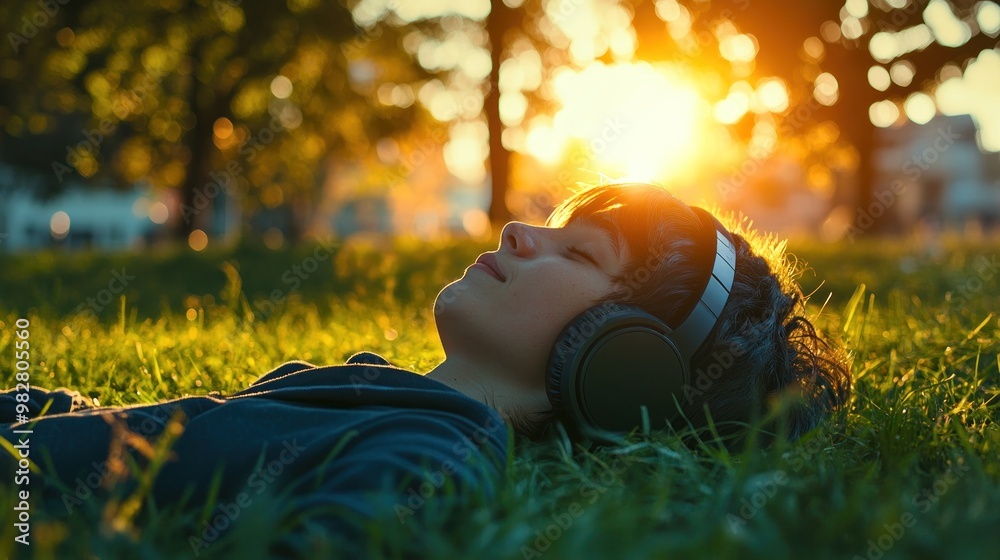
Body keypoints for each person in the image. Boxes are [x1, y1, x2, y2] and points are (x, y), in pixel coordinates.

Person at [1, 182, 851, 553]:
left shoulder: (436, 453)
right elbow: (157, 439)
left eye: (579, 251)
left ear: (624, 359)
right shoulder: (387, 393)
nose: (522, 232)